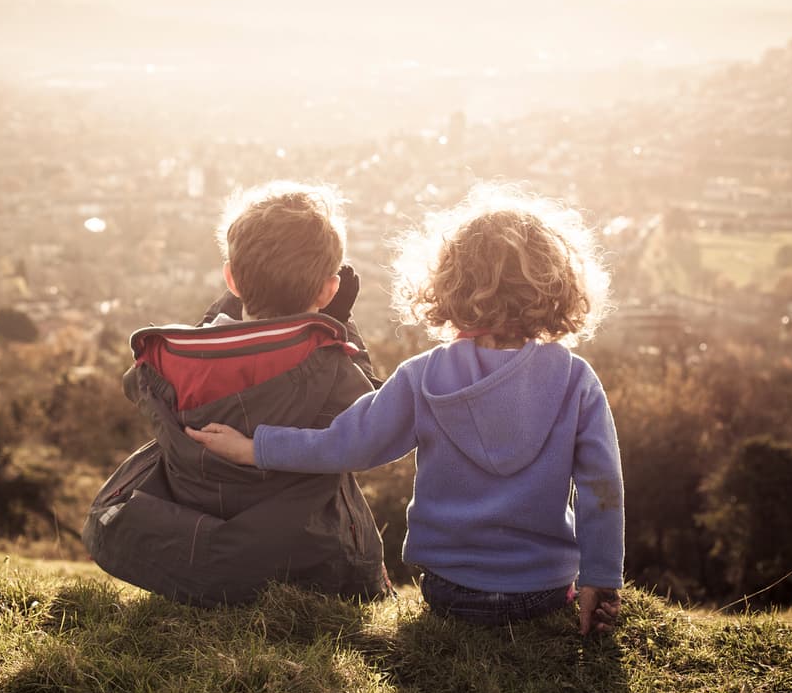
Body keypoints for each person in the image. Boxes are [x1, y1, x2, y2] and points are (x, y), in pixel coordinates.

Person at [187, 184, 623, 634]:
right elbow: (602, 486)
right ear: (556, 286)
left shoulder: (423, 376)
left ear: (449, 284)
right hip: (544, 589)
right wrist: (601, 580)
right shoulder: (576, 381)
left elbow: (347, 446)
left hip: (450, 591)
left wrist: (255, 447)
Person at [82, 181, 393, 607]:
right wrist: (341, 324)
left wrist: (217, 316)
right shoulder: (331, 366)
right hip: (308, 558)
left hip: (195, 544)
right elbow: (373, 420)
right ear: (328, 290)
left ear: (231, 278)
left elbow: (134, 385)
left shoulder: (173, 362)